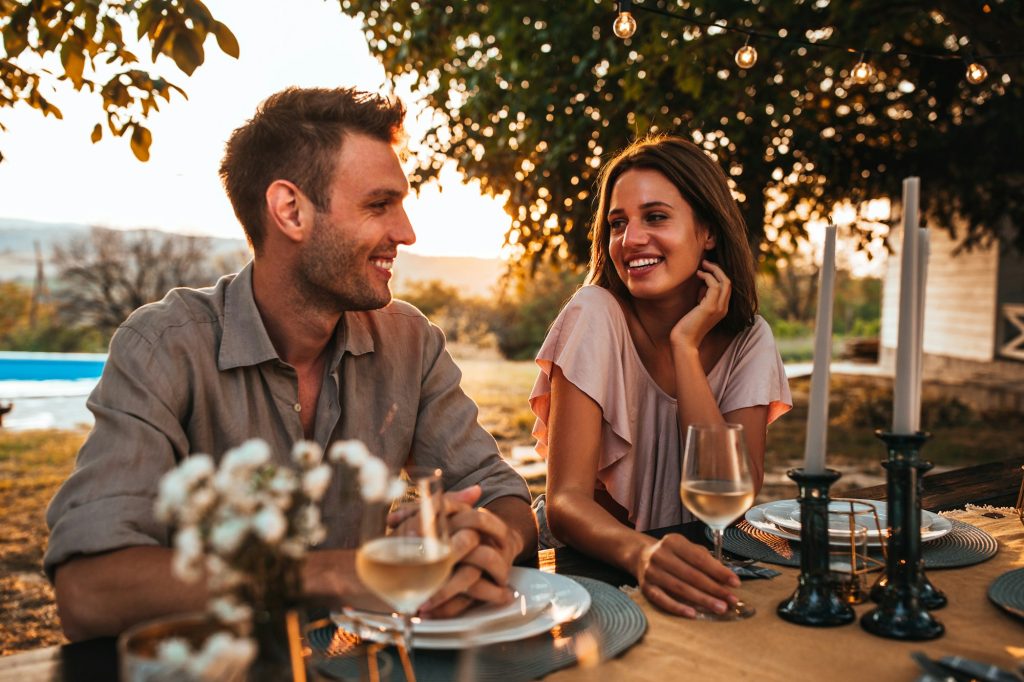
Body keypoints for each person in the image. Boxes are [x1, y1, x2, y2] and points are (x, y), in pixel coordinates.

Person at [45, 87, 537, 641]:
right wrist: (335, 574)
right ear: (290, 210)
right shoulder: (163, 347)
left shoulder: (411, 342)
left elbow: (501, 494)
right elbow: (88, 591)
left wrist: (485, 538)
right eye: (379, 205)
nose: (406, 232)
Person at [529, 135, 791, 618]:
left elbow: (731, 497)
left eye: (655, 217)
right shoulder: (595, 313)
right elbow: (564, 503)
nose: (630, 240)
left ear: (708, 231)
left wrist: (685, 349)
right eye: (617, 223)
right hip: (591, 568)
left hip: (688, 561)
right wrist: (643, 553)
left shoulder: (750, 338)